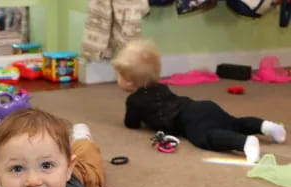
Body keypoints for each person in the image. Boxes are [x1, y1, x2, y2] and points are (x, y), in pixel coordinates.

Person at [112, 38, 287, 163]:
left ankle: (244, 143)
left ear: (128, 81)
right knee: (233, 122)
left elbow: (131, 124)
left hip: (189, 120)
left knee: (206, 137)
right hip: (201, 105)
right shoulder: (162, 87)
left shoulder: (134, 101)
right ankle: (268, 127)